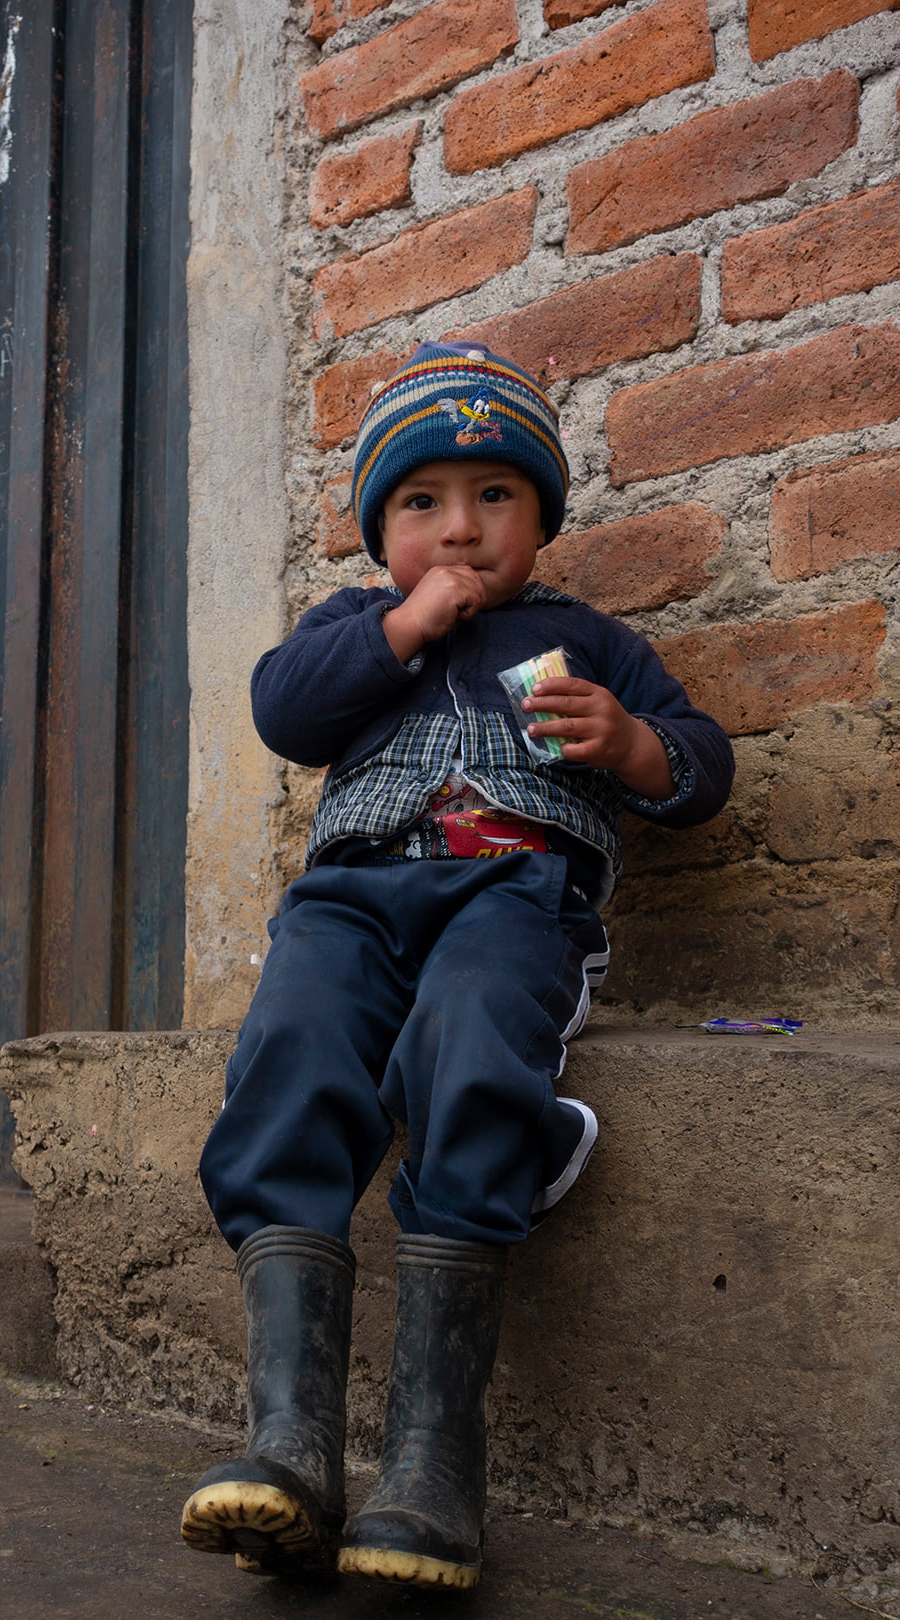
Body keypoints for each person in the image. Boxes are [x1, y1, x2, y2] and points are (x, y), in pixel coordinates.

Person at [179, 341, 735, 1590]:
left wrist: (636, 745)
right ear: (385, 532)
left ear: (540, 518)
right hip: (352, 900)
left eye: (496, 498)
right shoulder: (353, 627)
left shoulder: (584, 637)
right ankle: (289, 1449)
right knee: (293, 1044)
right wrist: (398, 631)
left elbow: (702, 769)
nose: (462, 531)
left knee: (473, 1034)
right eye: (422, 504)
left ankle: (431, 1468)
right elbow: (283, 710)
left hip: (513, 896)